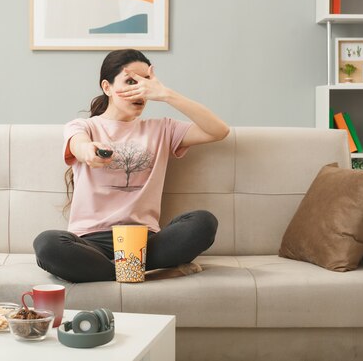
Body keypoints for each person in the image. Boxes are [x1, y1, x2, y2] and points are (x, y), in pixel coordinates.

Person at [33, 49, 230, 283]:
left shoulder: (162, 129)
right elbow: (79, 145)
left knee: (204, 222)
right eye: (130, 81)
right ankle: (145, 272)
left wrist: (166, 94)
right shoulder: (83, 126)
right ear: (107, 87)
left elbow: (219, 130)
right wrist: (89, 152)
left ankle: (115, 271)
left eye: (146, 82)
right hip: (90, 242)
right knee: (47, 244)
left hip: (144, 242)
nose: (140, 90)